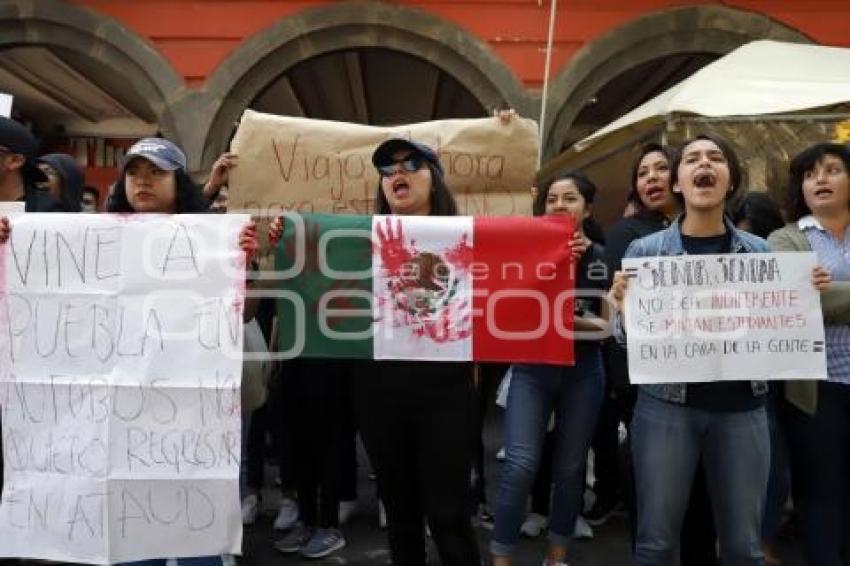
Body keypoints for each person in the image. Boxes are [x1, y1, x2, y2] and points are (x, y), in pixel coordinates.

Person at [609, 134, 830, 566]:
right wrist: (622, 310)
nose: (704, 164)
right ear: (679, 182)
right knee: (655, 545)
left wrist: (805, 294)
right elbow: (624, 340)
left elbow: (780, 328)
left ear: (729, 181)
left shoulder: (762, 253)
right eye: (692, 159)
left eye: (715, 158)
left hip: (743, 411)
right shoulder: (646, 252)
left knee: (742, 548)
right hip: (665, 410)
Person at [354, 138, 481, 565]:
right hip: (380, 393)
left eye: (411, 164)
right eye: (387, 171)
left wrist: (561, 252)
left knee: (449, 516)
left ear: (435, 178)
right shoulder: (356, 242)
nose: (398, 175)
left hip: (446, 394)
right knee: (401, 516)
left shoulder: (473, 241)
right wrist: (285, 238)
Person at [490, 171, 607, 566]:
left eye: (570, 198)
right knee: (520, 465)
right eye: (552, 199)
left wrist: (561, 315)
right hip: (532, 367)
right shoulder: (523, 251)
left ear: (587, 208)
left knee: (571, 467)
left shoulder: (603, 258)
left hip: (584, 371)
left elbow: (606, 325)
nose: (559, 205)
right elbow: (506, 307)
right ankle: (501, 557)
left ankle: (556, 557)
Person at [768, 142, 850, 566]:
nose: (820, 179)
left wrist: (826, 291)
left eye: (832, 170)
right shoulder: (785, 238)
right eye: (810, 173)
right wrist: (807, 295)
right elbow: (795, 302)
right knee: (820, 494)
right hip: (817, 391)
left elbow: (820, 298)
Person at [731, 191, 789, 565]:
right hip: (736, 370)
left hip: (777, 373)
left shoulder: (782, 255)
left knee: (773, 460)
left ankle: (762, 541)